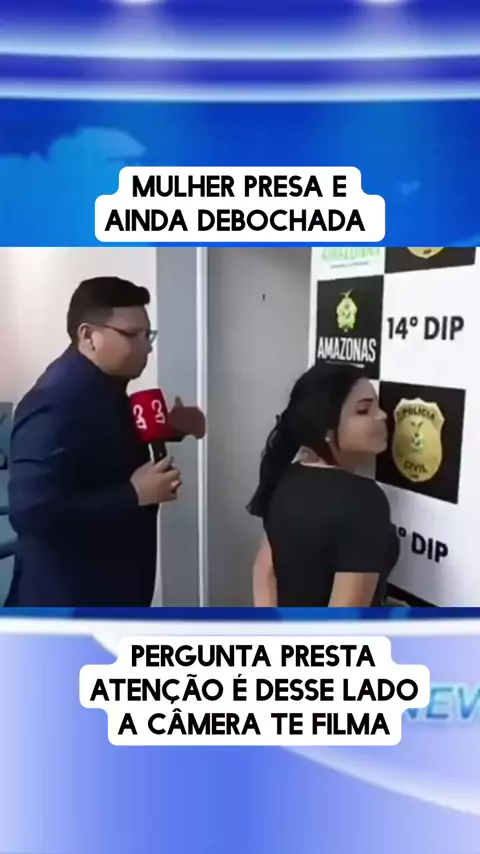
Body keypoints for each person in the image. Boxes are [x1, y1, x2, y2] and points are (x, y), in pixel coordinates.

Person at [6, 276, 205, 607]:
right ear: (88, 336)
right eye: (132, 335)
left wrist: (170, 427)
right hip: (68, 603)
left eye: (148, 335)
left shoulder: (104, 386)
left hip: (110, 591)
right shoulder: (54, 401)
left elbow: (98, 445)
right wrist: (133, 494)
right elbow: (31, 513)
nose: (146, 346)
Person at [247, 361, 399, 608]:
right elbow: (343, 621)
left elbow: (264, 573)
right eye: (363, 411)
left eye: (378, 406)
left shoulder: (285, 477)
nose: (382, 415)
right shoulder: (364, 500)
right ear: (327, 429)